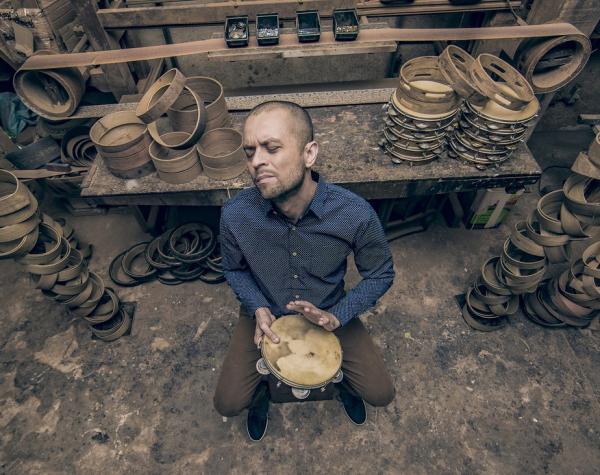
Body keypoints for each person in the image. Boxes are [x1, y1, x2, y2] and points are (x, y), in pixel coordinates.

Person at [213, 101, 395, 441]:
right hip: (265, 312)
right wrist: (258, 307)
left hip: (327, 310)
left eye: (272, 148)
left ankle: (345, 388)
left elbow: (381, 273)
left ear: (309, 153)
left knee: (380, 393)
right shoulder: (236, 215)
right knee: (227, 402)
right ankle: (262, 397)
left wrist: (338, 315)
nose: (256, 162)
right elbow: (233, 268)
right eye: (250, 152)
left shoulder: (354, 214)